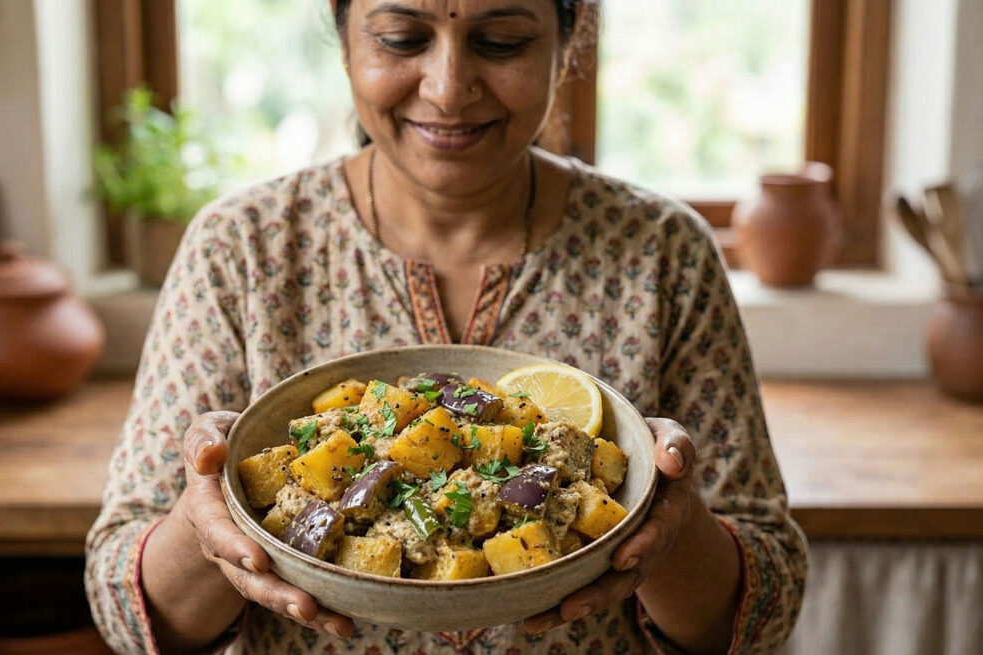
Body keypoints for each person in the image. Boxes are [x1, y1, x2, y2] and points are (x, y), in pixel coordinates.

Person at [84, 1, 808, 653]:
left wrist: (672, 531)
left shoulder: (664, 251)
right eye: (402, 38)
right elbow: (124, 609)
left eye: (500, 41)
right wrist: (209, 517)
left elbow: (766, 608)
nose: (447, 87)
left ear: (569, 36)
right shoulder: (240, 247)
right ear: (343, 40)